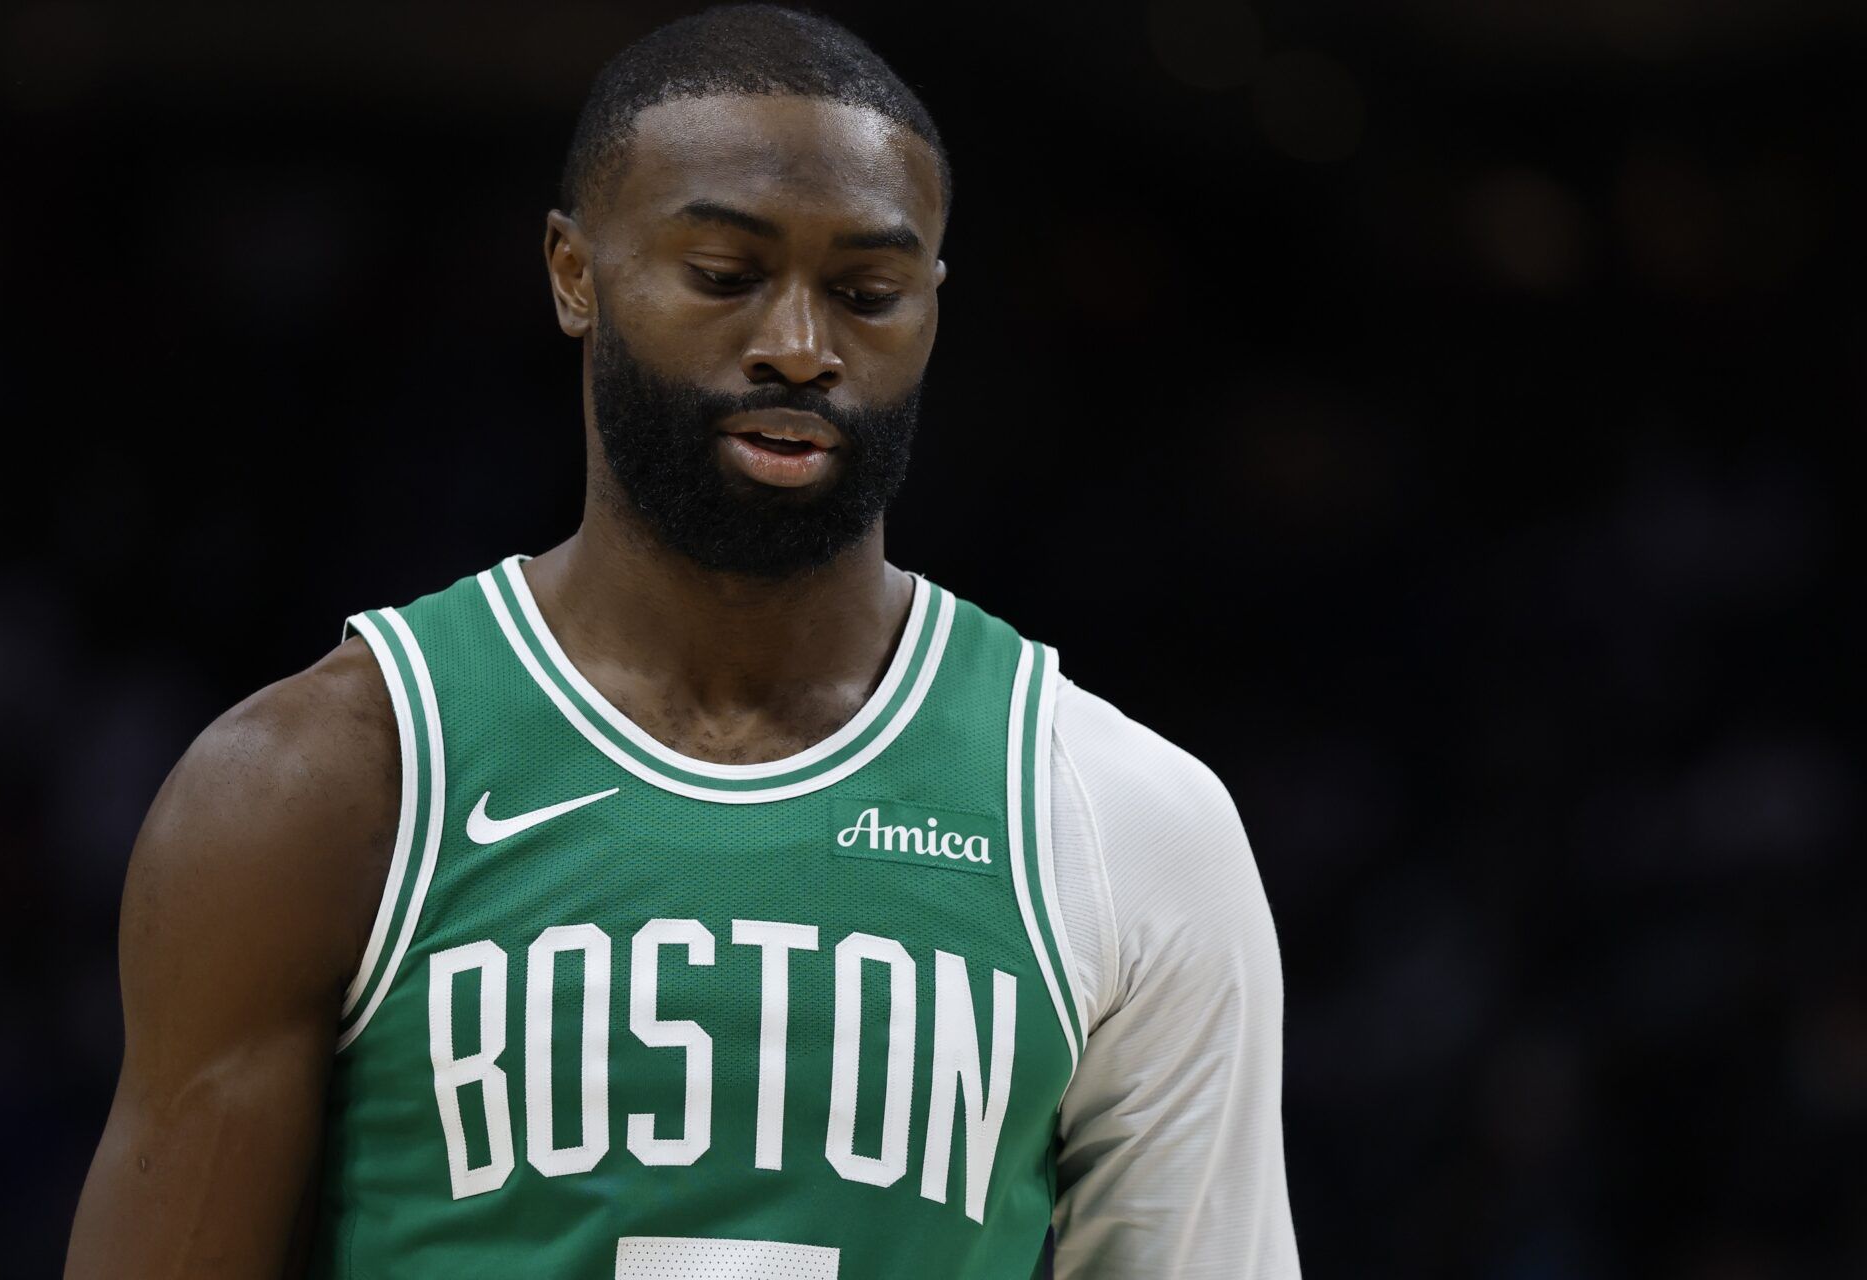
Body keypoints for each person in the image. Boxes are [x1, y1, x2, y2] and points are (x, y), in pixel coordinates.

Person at [64, 6, 1299, 1276]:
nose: (799, 348)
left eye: (868, 294)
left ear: (933, 307)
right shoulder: (315, 786)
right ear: (574, 274)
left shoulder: (1122, 816)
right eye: (723, 274)